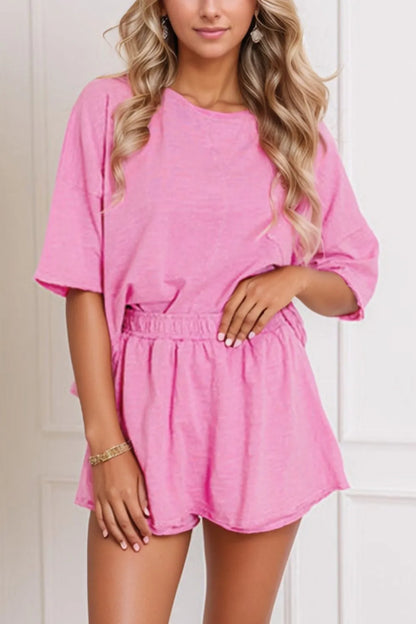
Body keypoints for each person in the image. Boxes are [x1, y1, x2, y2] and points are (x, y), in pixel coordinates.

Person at [32, 1, 379, 622]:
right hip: (144, 408)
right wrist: (106, 446)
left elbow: (353, 279)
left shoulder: (291, 129)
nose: (211, 9)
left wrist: (296, 278)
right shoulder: (112, 108)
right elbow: (82, 283)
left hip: (262, 404)